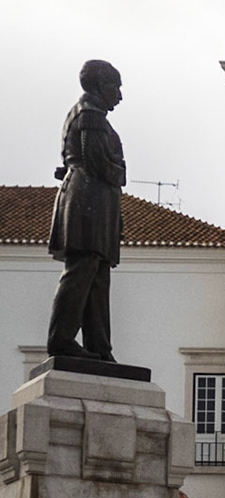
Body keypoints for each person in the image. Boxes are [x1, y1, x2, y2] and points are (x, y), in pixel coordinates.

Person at [46, 60, 126, 361]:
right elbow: (101, 163)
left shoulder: (89, 116)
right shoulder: (90, 116)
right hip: (87, 200)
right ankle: (61, 340)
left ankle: (100, 347)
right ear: (97, 86)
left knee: (97, 274)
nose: (119, 95)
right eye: (114, 87)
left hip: (94, 199)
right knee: (81, 271)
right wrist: (120, 172)